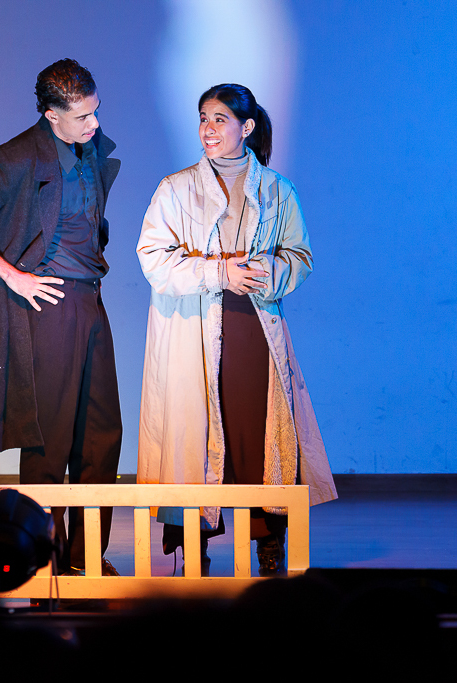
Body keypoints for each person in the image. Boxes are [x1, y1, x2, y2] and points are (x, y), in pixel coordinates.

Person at [136, 84, 337, 576]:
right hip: (191, 333)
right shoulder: (175, 188)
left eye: (220, 119)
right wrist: (218, 273)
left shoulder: (277, 189)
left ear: (246, 128)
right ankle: (192, 550)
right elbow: (153, 259)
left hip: (252, 330)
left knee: (254, 437)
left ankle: (268, 545)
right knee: (193, 437)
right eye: (203, 117)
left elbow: (300, 255)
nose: (208, 127)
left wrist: (270, 268)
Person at [0, 59, 122, 576]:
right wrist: (12, 274)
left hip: (90, 302)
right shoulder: (17, 158)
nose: (94, 125)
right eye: (82, 117)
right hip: (48, 309)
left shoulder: (89, 151)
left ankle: (85, 556)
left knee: (102, 435)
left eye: (95, 113)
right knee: (50, 440)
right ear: (50, 115)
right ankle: (42, 559)